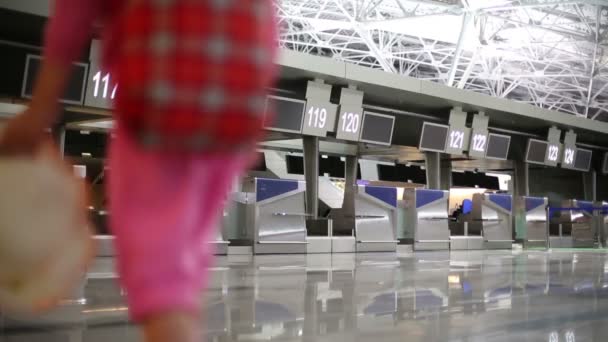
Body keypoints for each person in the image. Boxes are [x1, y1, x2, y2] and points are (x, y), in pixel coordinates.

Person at [0, 0, 277, 341]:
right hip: (238, 107)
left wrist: (40, 108)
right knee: (182, 279)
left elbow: (75, 13)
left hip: (160, 97)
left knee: (162, 289)